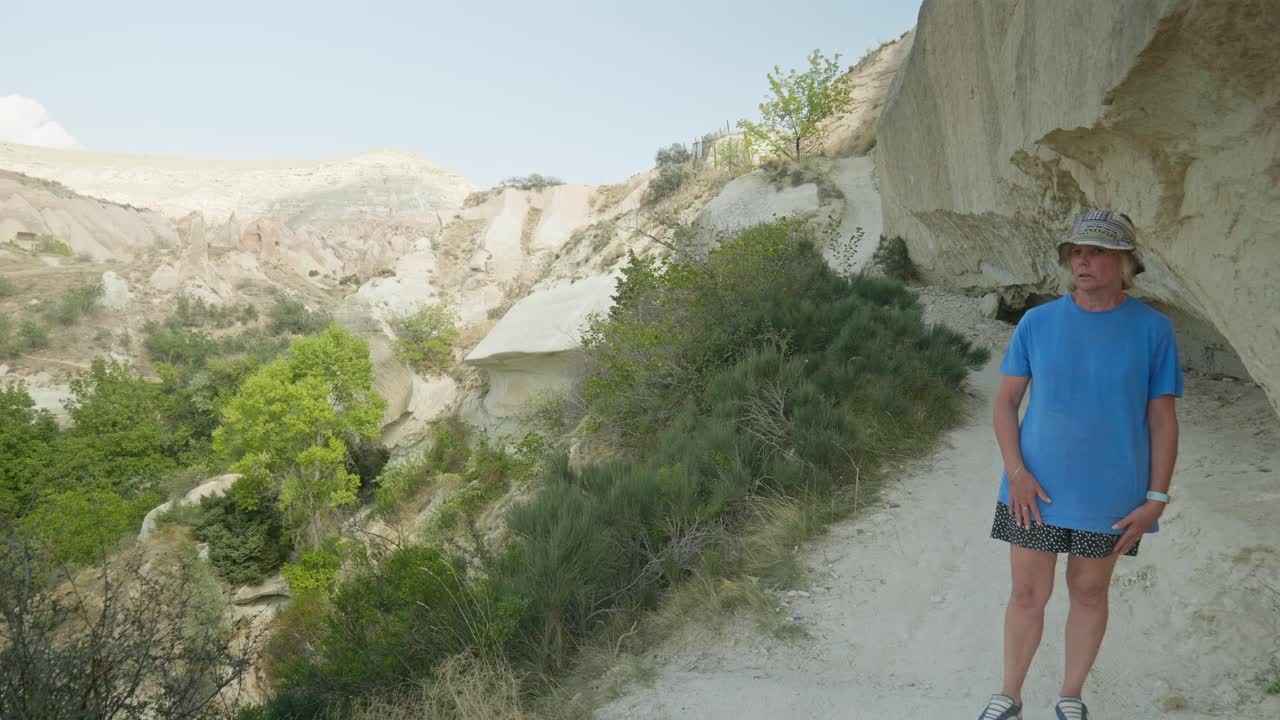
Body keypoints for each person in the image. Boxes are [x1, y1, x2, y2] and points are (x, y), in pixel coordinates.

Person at [975, 211, 1183, 720]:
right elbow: (1004, 404)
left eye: (1097, 252)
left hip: (1110, 497)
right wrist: (1016, 473)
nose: (1083, 261)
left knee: (1090, 594)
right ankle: (1009, 697)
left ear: (1126, 261)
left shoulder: (1154, 330)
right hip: (1033, 491)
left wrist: (1156, 499)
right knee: (1027, 593)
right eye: (1076, 252)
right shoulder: (1038, 322)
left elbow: (1162, 421)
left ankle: (1071, 697)